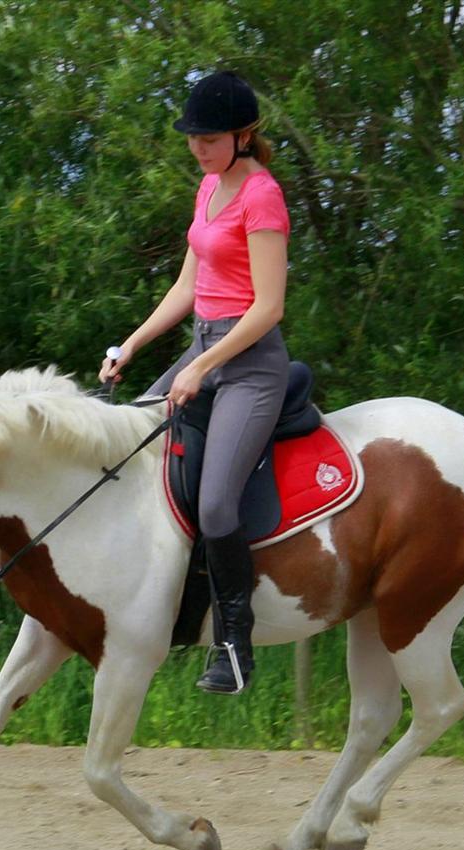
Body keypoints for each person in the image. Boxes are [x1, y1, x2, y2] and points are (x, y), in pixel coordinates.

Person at [99, 70, 290, 695]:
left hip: (251, 366)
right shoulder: (209, 186)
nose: (199, 148)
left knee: (213, 504)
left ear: (242, 135)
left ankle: (234, 644)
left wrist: (203, 369)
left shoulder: (261, 195)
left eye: (210, 138)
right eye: (193, 138)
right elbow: (188, 288)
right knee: (135, 455)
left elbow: (268, 307)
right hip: (202, 347)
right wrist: (131, 345)